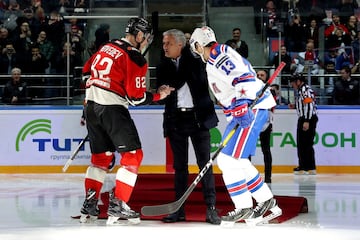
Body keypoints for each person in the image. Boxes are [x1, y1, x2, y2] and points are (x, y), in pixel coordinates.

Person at [79, 17, 174, 225]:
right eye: (146, 37)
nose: (147, 42)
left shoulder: (107, 46)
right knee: (133, 156)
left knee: (100, 158)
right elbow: (136, 98)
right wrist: (159, 95)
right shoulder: (135, 57)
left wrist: (88, 104)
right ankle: (118, 204)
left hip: (92, 106)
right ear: (139, 35)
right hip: (112, 108)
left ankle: (90, 204)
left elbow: (87, 72)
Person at [190, 26, 282, 226]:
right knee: (234, 160)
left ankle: (244, 207)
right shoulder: (218, 54)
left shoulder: (217, 56)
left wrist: (241, 104)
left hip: (250, 106)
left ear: (198, 45)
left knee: (228, 159)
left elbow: (243, 76)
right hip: (245, 107)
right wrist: (236, 108)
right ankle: (267, 201)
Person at [156, 29, 220, 225]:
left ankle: (211, 208)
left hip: (198, 119)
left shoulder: (196, 60)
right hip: (176, 120)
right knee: (179, 167)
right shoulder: (162, 65)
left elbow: (184, 80)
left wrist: (169, 85)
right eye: (164, 43)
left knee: (205, 165)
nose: (164, 47)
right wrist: (160, 91)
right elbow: (161, 95)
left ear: (180, 45)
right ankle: (178, 209)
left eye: (168, 43)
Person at [288, 73, 318, 175]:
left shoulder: (305, 90)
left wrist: (307, 121)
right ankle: (309, 167)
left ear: (298, 81)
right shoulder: (302, 90)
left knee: (304, 144)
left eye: (293, 82)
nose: (292, 85)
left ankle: (305, 167)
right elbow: (305, 105)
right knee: (304, 143)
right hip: (306, 117)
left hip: (307, 118)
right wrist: (295, 106)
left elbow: (309, 105)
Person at [256, 70, 275, 184]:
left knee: (266, 150)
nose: (259, 77)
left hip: (265, 122)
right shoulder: (251, 89)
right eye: (258, 75)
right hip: (252, 122)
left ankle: (268, 177)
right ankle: (248, 177)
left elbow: (272, 107)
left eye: (262, 75)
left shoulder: (270, 91)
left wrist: (271, 123)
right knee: (248, 150)